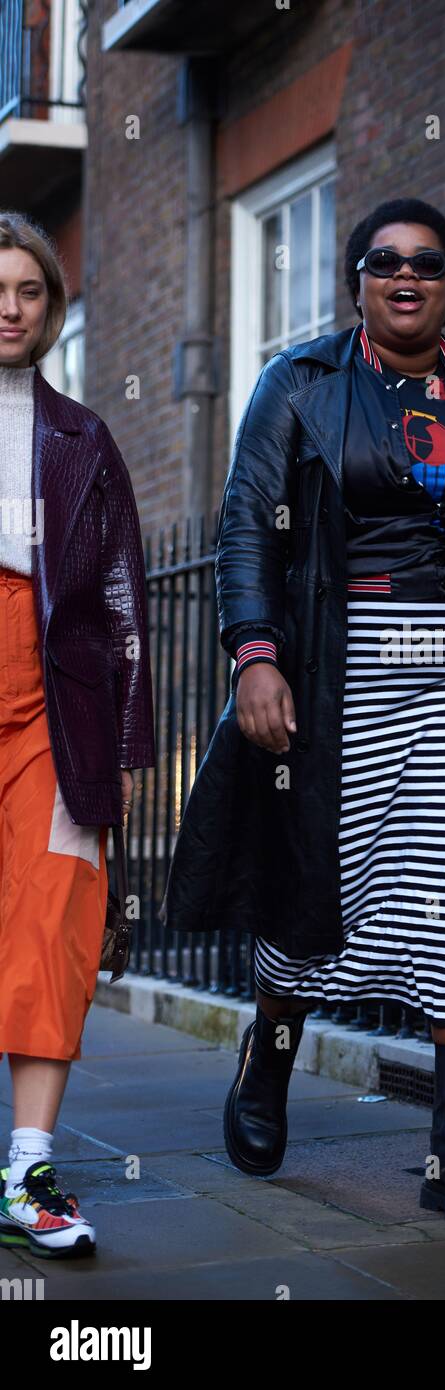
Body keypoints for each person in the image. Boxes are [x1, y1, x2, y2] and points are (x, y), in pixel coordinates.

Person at [161, 197, 445, 1230]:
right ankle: (268, 1061)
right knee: (326, 885)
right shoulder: (302, 382)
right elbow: (246, 527)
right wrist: (254, 654)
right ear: (356, 279)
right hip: (346, 667)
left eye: (431, 264)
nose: (408, 276)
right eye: (385, 261)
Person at [0, 213, 155, 1257]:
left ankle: (26, 1171)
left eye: (28, 290)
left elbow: (122, 603)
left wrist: (131, 745)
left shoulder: (82, 438)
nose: (8, 308)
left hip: (57, 708)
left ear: (52, 308)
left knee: (55, 918)